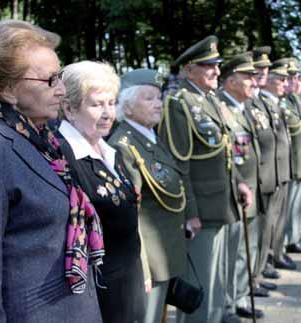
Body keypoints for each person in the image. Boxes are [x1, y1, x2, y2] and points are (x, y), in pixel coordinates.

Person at [0, 20, 103, 323]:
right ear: (8, 89)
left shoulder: (45, 140)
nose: (61, 89)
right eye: (50, 80)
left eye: (62, 76)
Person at [158, 35, 252, 323]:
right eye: (208, 66)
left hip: (221, 204)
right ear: (189, 70)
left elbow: (225, 151)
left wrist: (239, 182)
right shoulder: (180, 103)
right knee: (200, 283)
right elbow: (179, 164)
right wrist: (190, 213)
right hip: (200, 210)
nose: (216, 71)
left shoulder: (209, 100)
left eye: (217, 65)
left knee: (215, 281)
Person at [58, 61, 146, 323]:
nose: (108, 113)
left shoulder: (108, 151)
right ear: (70, 108)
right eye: (97, 104)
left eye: (111, 102)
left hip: (129, 281)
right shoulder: (63, 157)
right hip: (98, 296)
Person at [108, 68, 189, 323]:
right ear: (128, 107)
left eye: (158, 97)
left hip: (164, 250)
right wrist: (141, 266)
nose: (158, 104)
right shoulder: (123, 146)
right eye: (149, 98)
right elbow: (130, 213)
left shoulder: (151, 138)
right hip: (148, 257)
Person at [217, 52, 266, 320]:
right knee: (231, 251)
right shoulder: (222, 109)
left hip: (249, 192)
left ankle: (240, 297)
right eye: (248, 77)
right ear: (232, 80)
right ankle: (227, 304)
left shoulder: (244, 108)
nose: (254, 81)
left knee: (246, 250)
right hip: (233, 192)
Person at [258, 60, 293, 274]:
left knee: (277, 220)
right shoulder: (261, 102)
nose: (285, 83)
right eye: (281, 79)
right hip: (268, 174)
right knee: (266, 224)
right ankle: (262, 267)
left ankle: (273, 257)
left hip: (280, 171)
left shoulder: (275, 103)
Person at [281, 58, 301, 258]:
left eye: (299, 77)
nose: (297, 81)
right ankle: (283, 242)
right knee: (287, 206)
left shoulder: (296, 101)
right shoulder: (282, 103)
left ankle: (294, 238)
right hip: (289, 163)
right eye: (292, 77)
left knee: (297, 204)